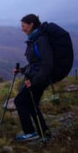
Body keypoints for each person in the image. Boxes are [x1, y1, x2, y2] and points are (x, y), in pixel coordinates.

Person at [14, 14, 52, 142]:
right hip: (35, 78)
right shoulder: (35, 39)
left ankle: (30, 132)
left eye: (23, 26)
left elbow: (47, 64)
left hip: (38, 80)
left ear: (31, 25)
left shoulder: (41, 40)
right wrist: (22, 70)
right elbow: (35, 63)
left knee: (20, 101)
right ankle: (44, 131)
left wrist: (34, 81)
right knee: (32, 104)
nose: (22, 29)